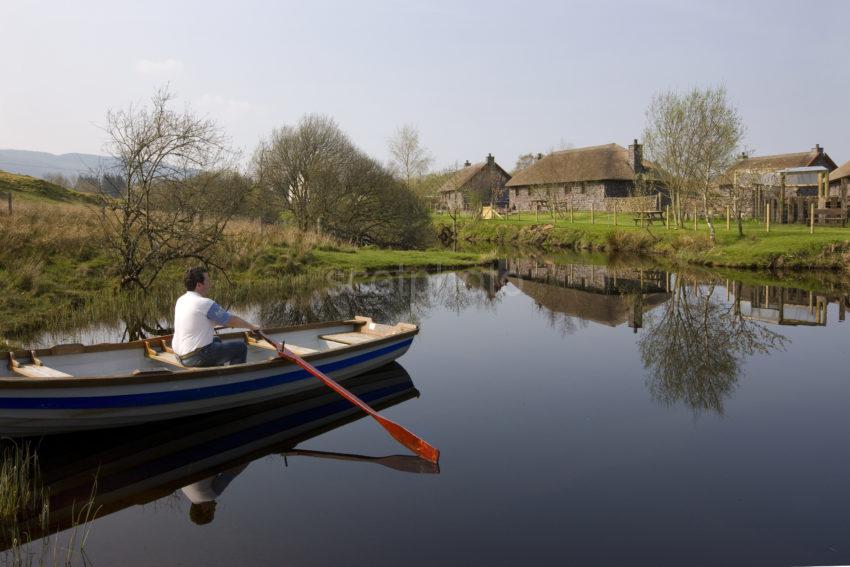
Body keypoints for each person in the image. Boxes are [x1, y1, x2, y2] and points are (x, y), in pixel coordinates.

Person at [172, 267, 260, 367]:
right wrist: (252, 327)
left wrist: (221, 322)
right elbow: (232, 321)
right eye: (208, 281)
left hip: (179, 356)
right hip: (195, 357)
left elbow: (199, 320)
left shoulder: (181, 300)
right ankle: (233, 380)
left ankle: (217, 373)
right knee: (241, 347)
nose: (210, 284)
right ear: (199, 285)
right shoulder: (205, 303)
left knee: (216, 340)